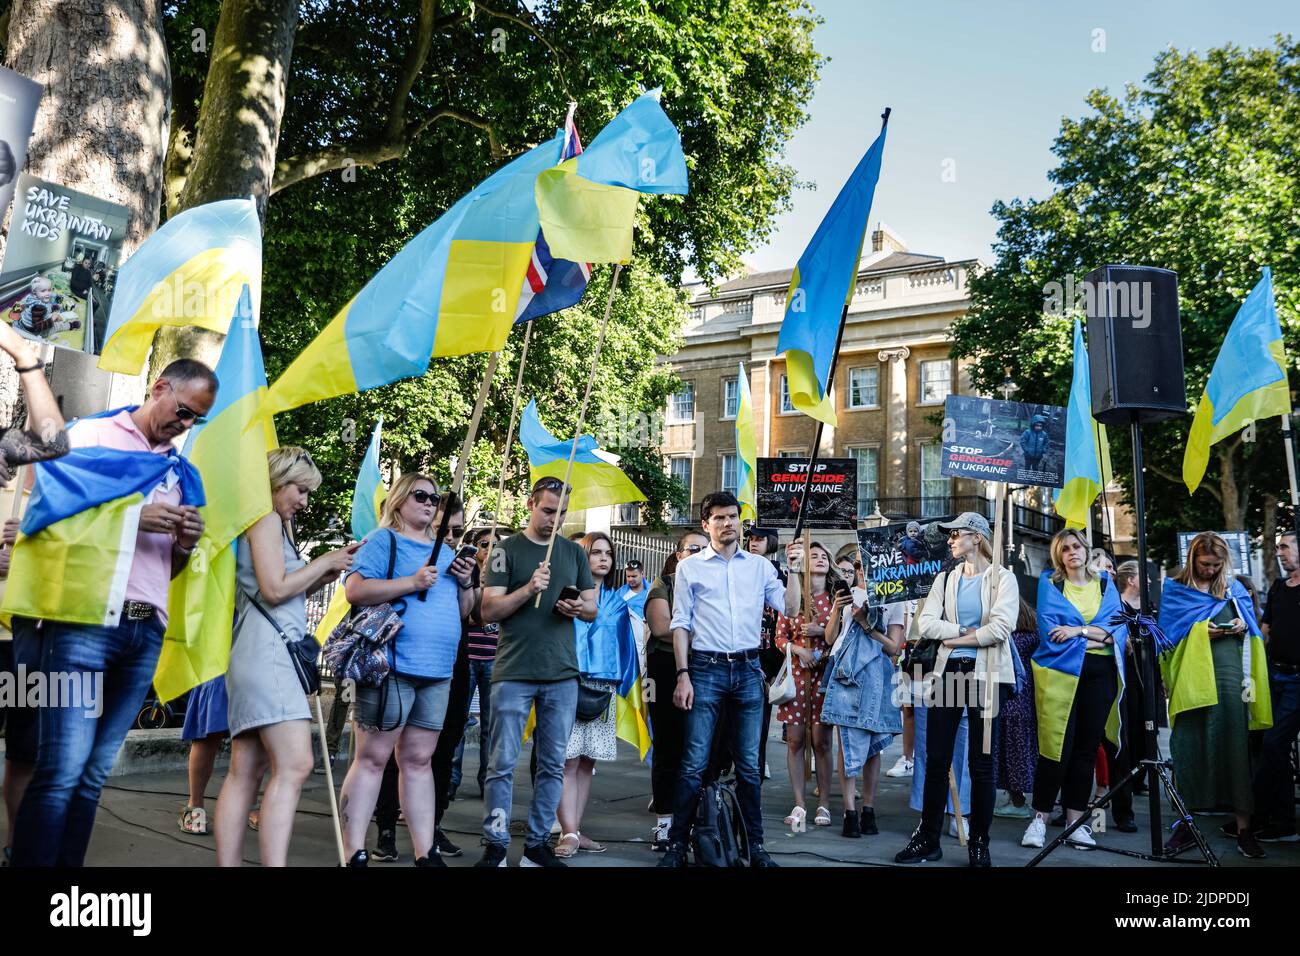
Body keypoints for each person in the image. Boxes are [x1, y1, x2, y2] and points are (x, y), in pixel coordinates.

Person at [9, 359, 214, 867]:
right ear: (159, 387)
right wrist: (133, 516)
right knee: (60, 772)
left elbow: (166, 569)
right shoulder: (91, 434)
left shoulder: (179, 471)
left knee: (92, 777)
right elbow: (46, 521)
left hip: (146, 631)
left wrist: (185, 545)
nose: (185, 425)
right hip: (83, 623)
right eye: (184, 411)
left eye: (197, 420)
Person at [213, 448, 359, 866]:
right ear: (277, 481)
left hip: (256, 653)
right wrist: (324, 562)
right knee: (295, 764)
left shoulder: (268, 522)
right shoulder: (267, 519)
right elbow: (276, 590)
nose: (304, 501)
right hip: (269, 658)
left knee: (246, 771)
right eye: (300, 489)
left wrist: (319, 575)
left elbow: (276, 595)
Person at [657, 491, 803, 869]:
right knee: (693, 763)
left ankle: (755, 846)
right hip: (704, 669)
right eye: (719, 518)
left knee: (750, 767)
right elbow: (681, 624)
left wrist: (797, 570)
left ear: (741, 521)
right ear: (707, 525)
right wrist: (683, 675)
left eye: (733, 517)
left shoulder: (758, 566)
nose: (728, 523)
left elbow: (790, 608)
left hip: (749, 669)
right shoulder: (690, 568)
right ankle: (677, 846)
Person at [335, 479, 476, 868]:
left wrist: (466, 582)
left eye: (435, 498)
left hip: (437, 671)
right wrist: (411, 582)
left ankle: (424, 850)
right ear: (399, 500)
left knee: (419, 760)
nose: (430, 504)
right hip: (392, 666)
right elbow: (356, 590)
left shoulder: (446, 552)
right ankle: (352, 850)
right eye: (421, 495)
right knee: (373, 758)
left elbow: (465, 611)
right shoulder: (383, 541)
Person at [475, 477, 596, 868]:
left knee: (552, 762)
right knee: (502, 761)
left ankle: (538, 843)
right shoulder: (503, 551)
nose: (554, 520)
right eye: (547, 511)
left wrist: (578, 609)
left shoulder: (574, 553)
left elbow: (592, 608)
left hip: (561, 671)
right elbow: (487, 611)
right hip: (513, 670)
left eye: (561, 513)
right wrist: (529, 589)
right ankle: (495, 842)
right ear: (530, 504)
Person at [894, 512, 1017, 867]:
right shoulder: (945, 579)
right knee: (936, 759)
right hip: (947, 674)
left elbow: (1000, 629)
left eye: (955, 534)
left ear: (976, 537)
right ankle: (928, 838)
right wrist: (962, 633)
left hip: (987, 675)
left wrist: (957, 635)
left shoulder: (1002, 579)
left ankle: (979, 841)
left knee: (982, 763)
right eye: (948, 536)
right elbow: (926, 623)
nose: (949, 540)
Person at [0, 323, 69, 864]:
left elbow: (52, 442)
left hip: (18, 633)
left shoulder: (10, 447)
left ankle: (19, 852)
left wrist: (25, 355)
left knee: (24, 753)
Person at [1159, 532, 1271, 859]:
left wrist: (1238, 623)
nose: (1210, 570)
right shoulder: (1177, 590)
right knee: (1188, 746)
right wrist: (1201, 630)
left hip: (1229, 675)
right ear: (1193, 559)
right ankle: (1186, 824)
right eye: (1205, 563)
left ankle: (1244, 828)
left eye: (1216, 564)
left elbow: (1252, 628)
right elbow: (1166, 637)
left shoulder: (1235, 588)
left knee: (1235, 747)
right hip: (1192, 680)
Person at [1021, 529, 1128, 852]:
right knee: (1056, 749)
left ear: (1086, 550)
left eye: (1077, 546)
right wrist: (1094, 634)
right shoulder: (1051, 586)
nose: (1072, 552)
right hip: (1060, 674)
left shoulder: (1107, 585)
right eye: (1065, 548)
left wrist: (1077, 630)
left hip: (1100, 674)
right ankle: (1038, 819)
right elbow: (1051, 633)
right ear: (1059, 556)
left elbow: (1114, 633)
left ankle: (1076, 824)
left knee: (1085, 750)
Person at [555, 531, 636, 857]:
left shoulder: (619, 598)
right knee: (567, 761)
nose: (604, 558)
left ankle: (575, 828)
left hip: (605, 684)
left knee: (587, 762)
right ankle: (568, 831)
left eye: (608, 553)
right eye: (596, 552)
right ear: (582, 556)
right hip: (570, 679)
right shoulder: (568, 594)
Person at [644, 529, 708, 850]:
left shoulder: (713, 586)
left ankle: (695, 821)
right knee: (667, 747)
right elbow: (660, 627)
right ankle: (664, 823)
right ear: (679, 554)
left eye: (704, 548)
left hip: (703, 670)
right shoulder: (663, 584)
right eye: (692, 548)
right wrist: (704, 632)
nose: (699, 553)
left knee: (697, 750)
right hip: (665, 671)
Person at [822, 582, 901, 838]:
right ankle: (849, 812)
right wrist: (837, 608)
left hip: (877, 672)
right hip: (845, 670)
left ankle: (868, 809)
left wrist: (866, 623)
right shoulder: (851, 592)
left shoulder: (896, 595)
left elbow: (894, 647)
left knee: (872, 743)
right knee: (847, 741)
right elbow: (831, 638)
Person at [775, 541, 842, 830]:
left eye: (824, 555)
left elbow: (841, 639)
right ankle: (800, 802)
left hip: (824, 676)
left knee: (821, 741)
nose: (820, 559)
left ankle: (824, 802)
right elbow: (779, 637)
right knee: (795, 741)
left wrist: (821, 638)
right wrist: (797, 650)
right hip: (798, 677)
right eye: (813, 555)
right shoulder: (793, 597)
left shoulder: (835, 598)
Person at [1253, 531, 1300, 842]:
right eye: (1278, 547)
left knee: (1274, 743)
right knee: (1263, 743)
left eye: (1285, 546)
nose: (1279, 552)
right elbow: (1264, 630)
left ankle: (1283, 823)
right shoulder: (1279, 587)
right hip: (1276, 676)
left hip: (1298, 680)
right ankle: (1261, 816)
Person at [993, 600, 1038, 821]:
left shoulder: (1010, 637)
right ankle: (1019, 798)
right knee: (1023, 745)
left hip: (1010, 693)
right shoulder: (1032, 633)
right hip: (1027, 696)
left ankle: (1018, 800)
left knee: (1011, 748)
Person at [14, 276, 80, 339]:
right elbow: (38, 327)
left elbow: (42, 309)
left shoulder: (31, 298)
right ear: (35, 293)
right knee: (56, 326)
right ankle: (71, 325)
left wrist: (53, 307)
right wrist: (52, 319)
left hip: (23, 324)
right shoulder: (39, 307)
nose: (47, 293)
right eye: (43, 291)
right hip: (35, 331)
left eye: (49, 290)